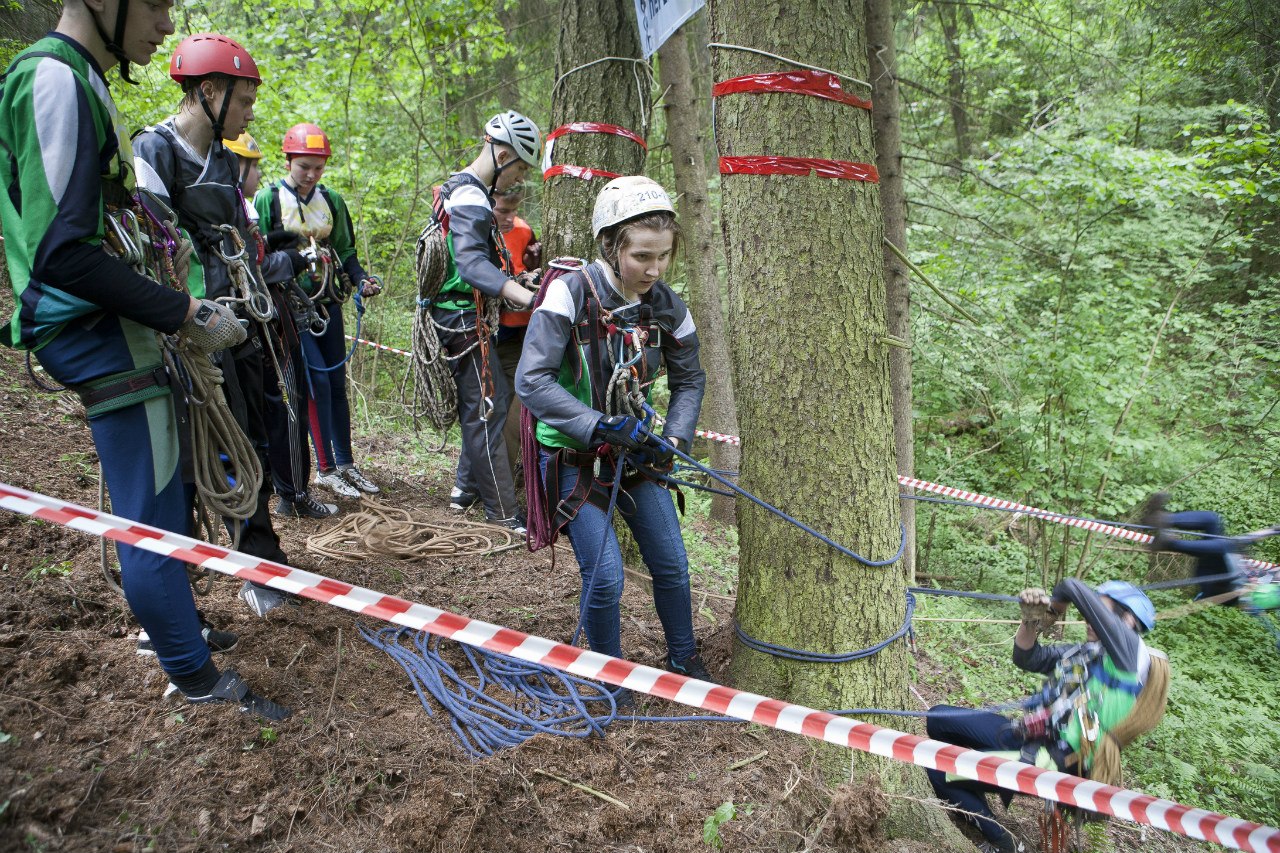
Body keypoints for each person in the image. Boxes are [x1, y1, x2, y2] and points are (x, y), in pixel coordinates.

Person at [0, 4, 286, 719]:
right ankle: (195, 677)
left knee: (161, 500)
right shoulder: (54, 78)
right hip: (98, 330)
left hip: (113, 323)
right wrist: (184, 311)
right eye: (155, 3)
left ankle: (179, 629)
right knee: (151, 512)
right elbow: (61, 251)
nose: (164, 24)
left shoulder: (79, 79)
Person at [515, 175, 711, 682]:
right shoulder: (567, 294)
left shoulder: (666, 305)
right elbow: (531, 380)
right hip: (574, 457)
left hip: (638, 451)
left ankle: (684, 657)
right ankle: (608, 676)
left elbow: (690, 378)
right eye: (642, 256)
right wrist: (598, 424)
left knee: (672, 563)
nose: (654, 269)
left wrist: (675, 440)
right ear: (610, 245)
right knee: (604, 579)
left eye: (663, 256)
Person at [133, 34, 304, 560]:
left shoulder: (225, 162)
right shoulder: (155, 150)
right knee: (204, 446)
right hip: (187, 329)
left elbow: (239, 240)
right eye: (244, 100)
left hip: (237, 320)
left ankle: (259, 553)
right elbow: (151, 247)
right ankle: (204, 559)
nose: (250, 113)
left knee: (248, 435)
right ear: (209, 90)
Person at [924, 580, 1168, 853]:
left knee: (937, 769)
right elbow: (1028, 658)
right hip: (1030, 735)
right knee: (938, 718)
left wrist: (1055, 606)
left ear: (1127, 621)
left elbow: (1071, 586)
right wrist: (1031, 621)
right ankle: (973, 786)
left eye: (1100, 610)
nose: (1089, 619)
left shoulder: (1130, 661)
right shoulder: (1088, 653)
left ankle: (1004, 842)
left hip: (1053, 761)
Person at [253, 122, 382, 503]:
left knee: (337, 384)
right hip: (291, 308)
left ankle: (345, 463)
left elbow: (346, 250)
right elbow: (257, 254)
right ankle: (325, 469)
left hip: (328, 302)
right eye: (304, 166)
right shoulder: (268, 199)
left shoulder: (332, 200)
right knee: (317, 384)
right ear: (288, 162)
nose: (311, 175)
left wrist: (361, 280)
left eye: (318, 167)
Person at [227, 131, 326, 616]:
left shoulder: (241, 210)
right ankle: (263, 540)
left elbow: (253, 260)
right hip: (247, 337)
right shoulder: (240, 206)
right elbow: (244, 269)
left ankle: (291, 494)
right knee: (257, 434)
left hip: (265, 332)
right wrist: (286, 260)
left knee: (281, 419)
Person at [433, 111, 542, 531]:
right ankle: (503, 514)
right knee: (487, 409)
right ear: (502, 156)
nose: (518, 178)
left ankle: (465, 488)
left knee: (488, 403)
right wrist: (526, 297)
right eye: (519, 169)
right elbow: (471, 264)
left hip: (464, 313)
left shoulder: (465, 189)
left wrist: (520, 278)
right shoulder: (470, 196)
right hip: (460, 317)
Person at [449, 183, 540, 511]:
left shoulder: (523, 232)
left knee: (501, 409)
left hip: (518, 334)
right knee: (486, 407)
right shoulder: (471, 233)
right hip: (486, 332)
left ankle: (479, 486)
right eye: (502, 210)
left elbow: (527, 269)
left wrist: (533, 267)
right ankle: (468, 485)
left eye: (514, 210)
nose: (509, 217)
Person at [1141, 491, 1278, 601]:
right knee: (1212, 520)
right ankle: (1161, 519)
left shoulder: (1275, 594)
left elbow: (1249, 604)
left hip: (1218, 584)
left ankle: (1169, 544)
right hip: (1224, 565)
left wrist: (1251, 587)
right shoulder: (1274, 574)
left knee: (1224, 546)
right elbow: (1245, 541)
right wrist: (1271, 531)